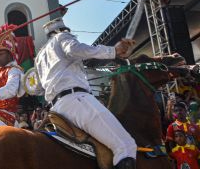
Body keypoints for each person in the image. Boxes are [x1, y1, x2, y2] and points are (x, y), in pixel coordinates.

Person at [34, 17, 137, 169]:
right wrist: (113, 51)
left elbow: (37, 88)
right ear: (62, 31)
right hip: (76, 101)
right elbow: (75, 50)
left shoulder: (39, 58)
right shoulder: (62, 36)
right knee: (126, 146)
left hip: (56, 108)